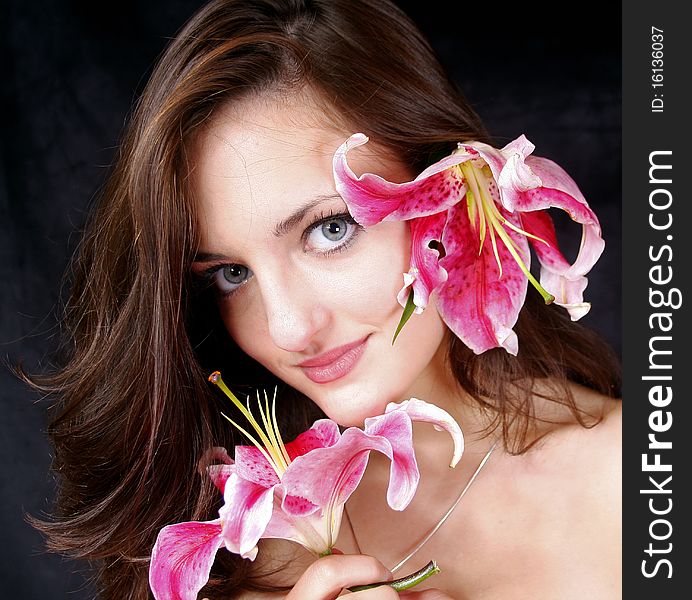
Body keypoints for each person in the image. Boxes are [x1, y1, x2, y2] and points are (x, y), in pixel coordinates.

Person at [26, 0, 622, 598]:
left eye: (330, 229)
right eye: (231, 273)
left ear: (452, 187)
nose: (287, 330)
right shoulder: (238, 534)